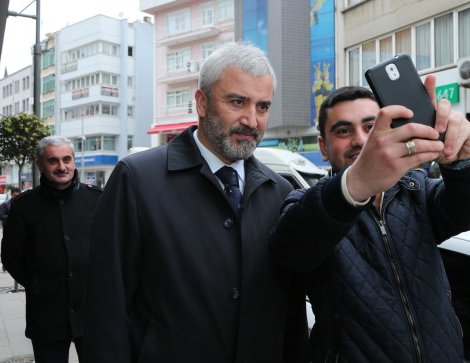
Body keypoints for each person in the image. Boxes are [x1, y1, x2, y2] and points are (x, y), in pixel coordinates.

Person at [83, 42, 308, 362]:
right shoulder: (136, 179)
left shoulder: (281, 191)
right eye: (238, 102)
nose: (252, 120)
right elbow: (106, 307)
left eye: (262, 106)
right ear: (202, 103)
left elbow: (291, 314)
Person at [270, 85, 470, 362]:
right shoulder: (306, 202)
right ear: (323, 148)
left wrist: (465, 159)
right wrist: (356, 184)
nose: (361, 140)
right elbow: (292, 249)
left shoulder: (417, 191)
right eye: (343, 131)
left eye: (371, 127)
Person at [2, 136, 102, 362]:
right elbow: (11, 255)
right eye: (53, 161)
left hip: (93, 310)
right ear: (40, 165)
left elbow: (112, 248)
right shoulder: (24, 206)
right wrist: (37, 283)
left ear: (74, 161)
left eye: (67, 159)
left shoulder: (97, 200)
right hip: (46, 312)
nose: (62, 166)